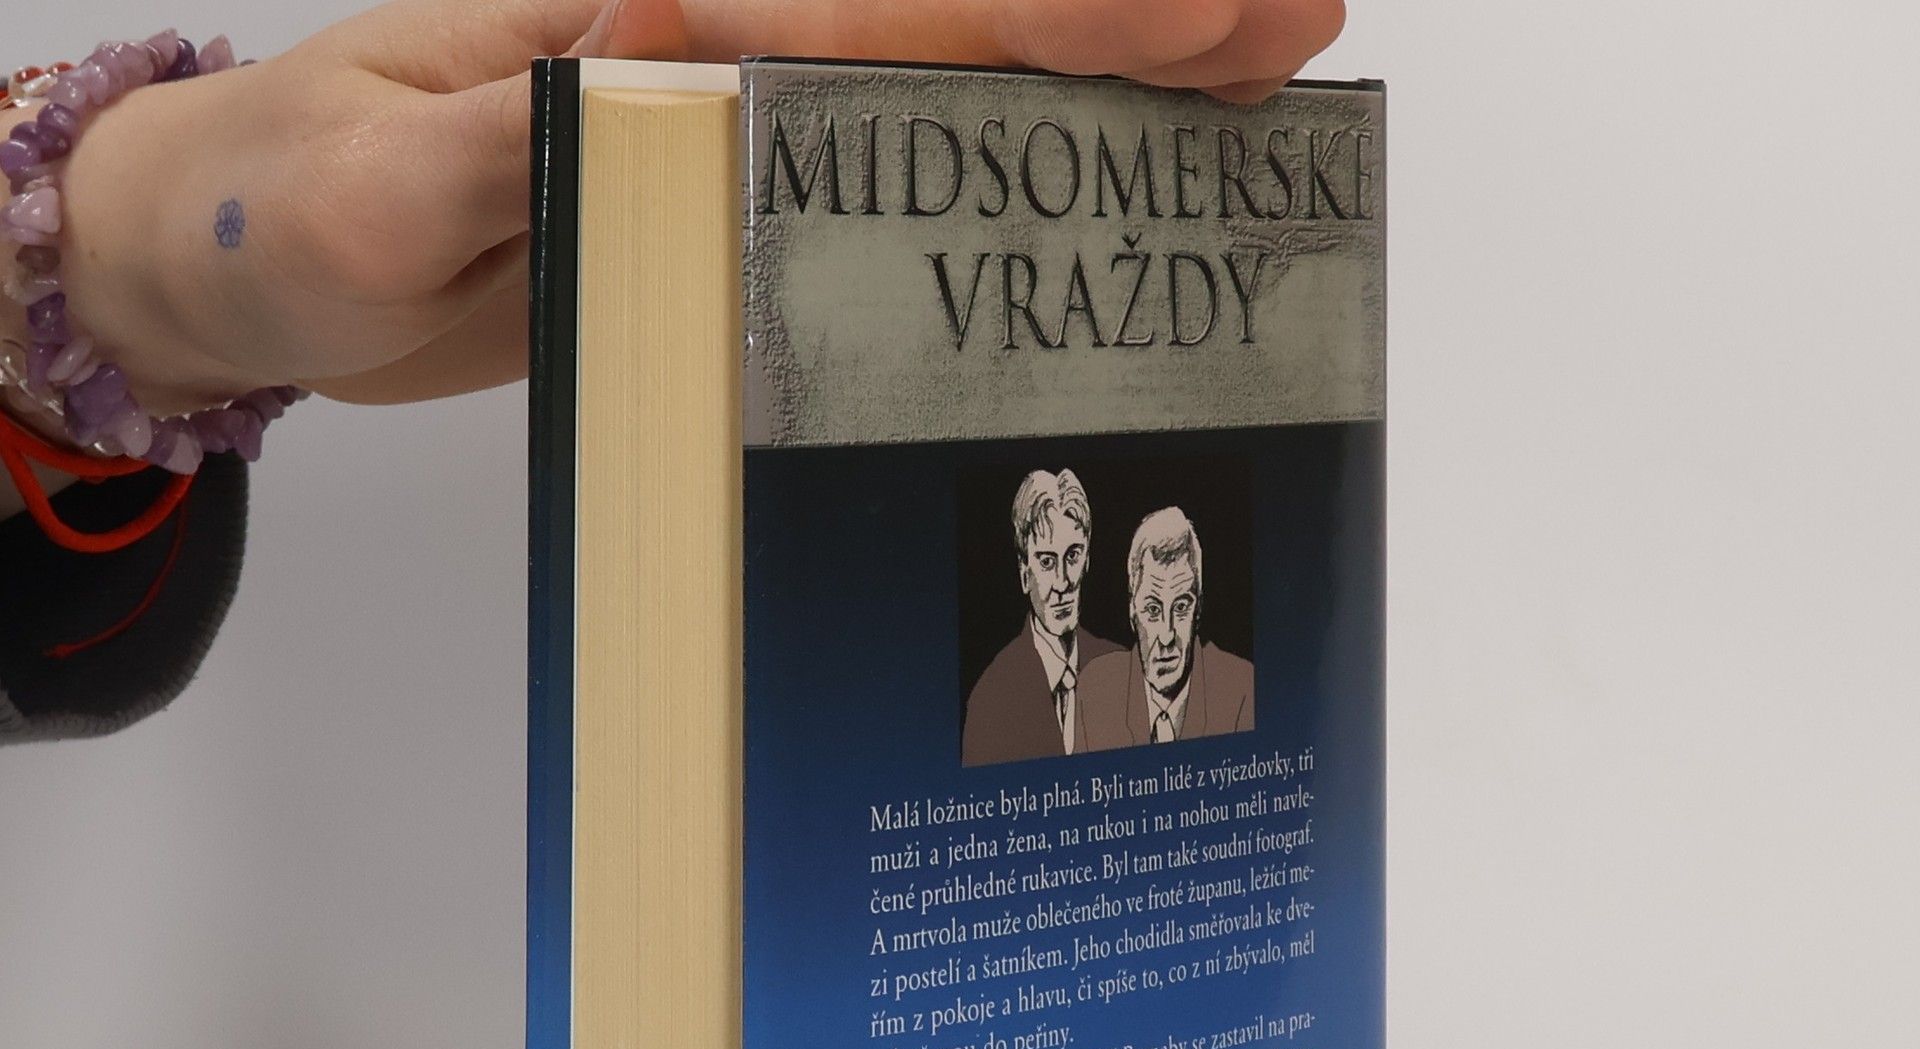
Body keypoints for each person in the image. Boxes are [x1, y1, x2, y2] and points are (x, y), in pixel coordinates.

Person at [0, 0, 1346, 745]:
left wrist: (140, 252)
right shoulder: (1003, 695)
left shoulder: (1179, 692)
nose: (1071, 575)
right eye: (1056, 552)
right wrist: (135, 239)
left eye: (1083, 558)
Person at [962, 467, 1122, 768]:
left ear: (1088, 559)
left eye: (1072, 555)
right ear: (1024, 573)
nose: (1063, 582)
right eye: (1047, 561)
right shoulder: (991, 697)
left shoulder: (1120, 671)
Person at [1079, 505, 1255, 749]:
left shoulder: (1241, 690)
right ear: (1132, 610)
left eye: (1181, 607)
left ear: (1198, 609)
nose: (1167, 636)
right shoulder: (1095, 692)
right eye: (1153, 609)